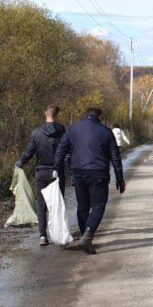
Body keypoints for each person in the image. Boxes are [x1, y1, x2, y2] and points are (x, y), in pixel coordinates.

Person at [54, 107, 125, 254]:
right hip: (99, 173)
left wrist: (57, 169)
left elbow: (61, 150)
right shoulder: (105, 131)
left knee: (83, 206)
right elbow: (115, 157)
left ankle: (85, 237)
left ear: (86, 115)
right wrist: (120, 179)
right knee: (98, 206)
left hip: (78, 173)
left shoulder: (73, 130)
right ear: (98, 116)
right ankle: (87, 236)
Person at [16, 105, 66, 246]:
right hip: (57, 172)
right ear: (57, 114)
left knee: (41, 204)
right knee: (57, 203)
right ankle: (58, 234)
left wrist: (20, 163)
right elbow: (66, 151)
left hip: (42, 172)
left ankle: (43, 236)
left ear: (45, 113)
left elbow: (29, 152)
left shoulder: (36, 133)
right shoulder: (62, 131)